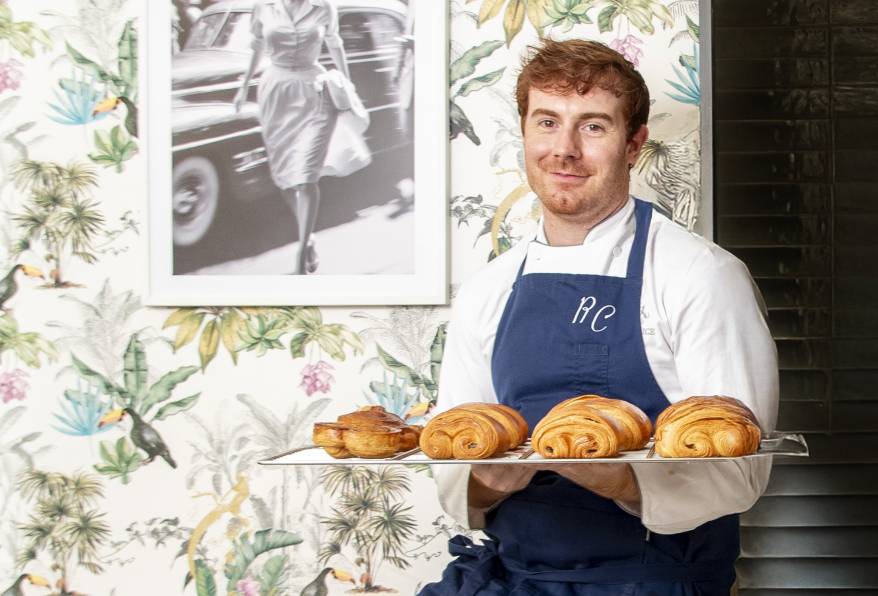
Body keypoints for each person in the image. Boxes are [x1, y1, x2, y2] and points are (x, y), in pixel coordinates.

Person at [420, 39, 779, 595]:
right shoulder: (487, 289)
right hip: (515, 579)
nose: (563, 150)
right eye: (546, 122)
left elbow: (741, 473)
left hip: (651, 581)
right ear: (523, 132)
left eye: (592, 126)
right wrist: (487, 484)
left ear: (634, 143)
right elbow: (452, 464)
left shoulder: (700, 276)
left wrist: (622, 482)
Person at [234, 0, 366, 274]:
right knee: (284, 178)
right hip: (275, 94)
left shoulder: (324, 6)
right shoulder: (263, 6)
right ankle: (309, 237)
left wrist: (347, 83)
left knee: (306, 176)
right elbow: (257, 45)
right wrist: (243, 86)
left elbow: (335, 43)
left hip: (313, 92)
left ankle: (300, 260)